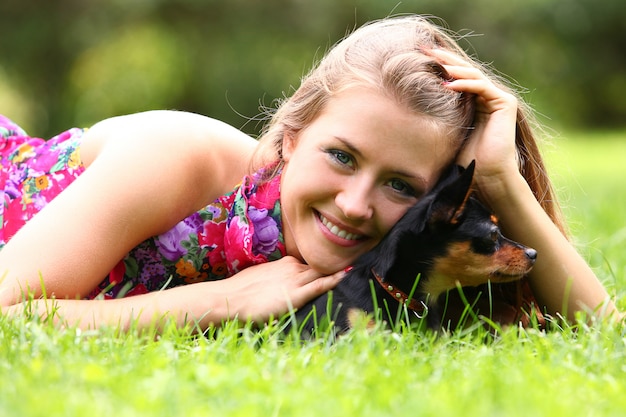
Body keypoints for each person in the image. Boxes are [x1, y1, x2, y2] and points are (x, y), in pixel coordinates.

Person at [0, 15, 617, 332]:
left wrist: (505, 181)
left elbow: (601, 335)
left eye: (402, 185)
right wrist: (222, 300)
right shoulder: (179, 155)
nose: (353, 205)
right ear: (293, 136)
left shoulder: (395, 259)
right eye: (341, 156)